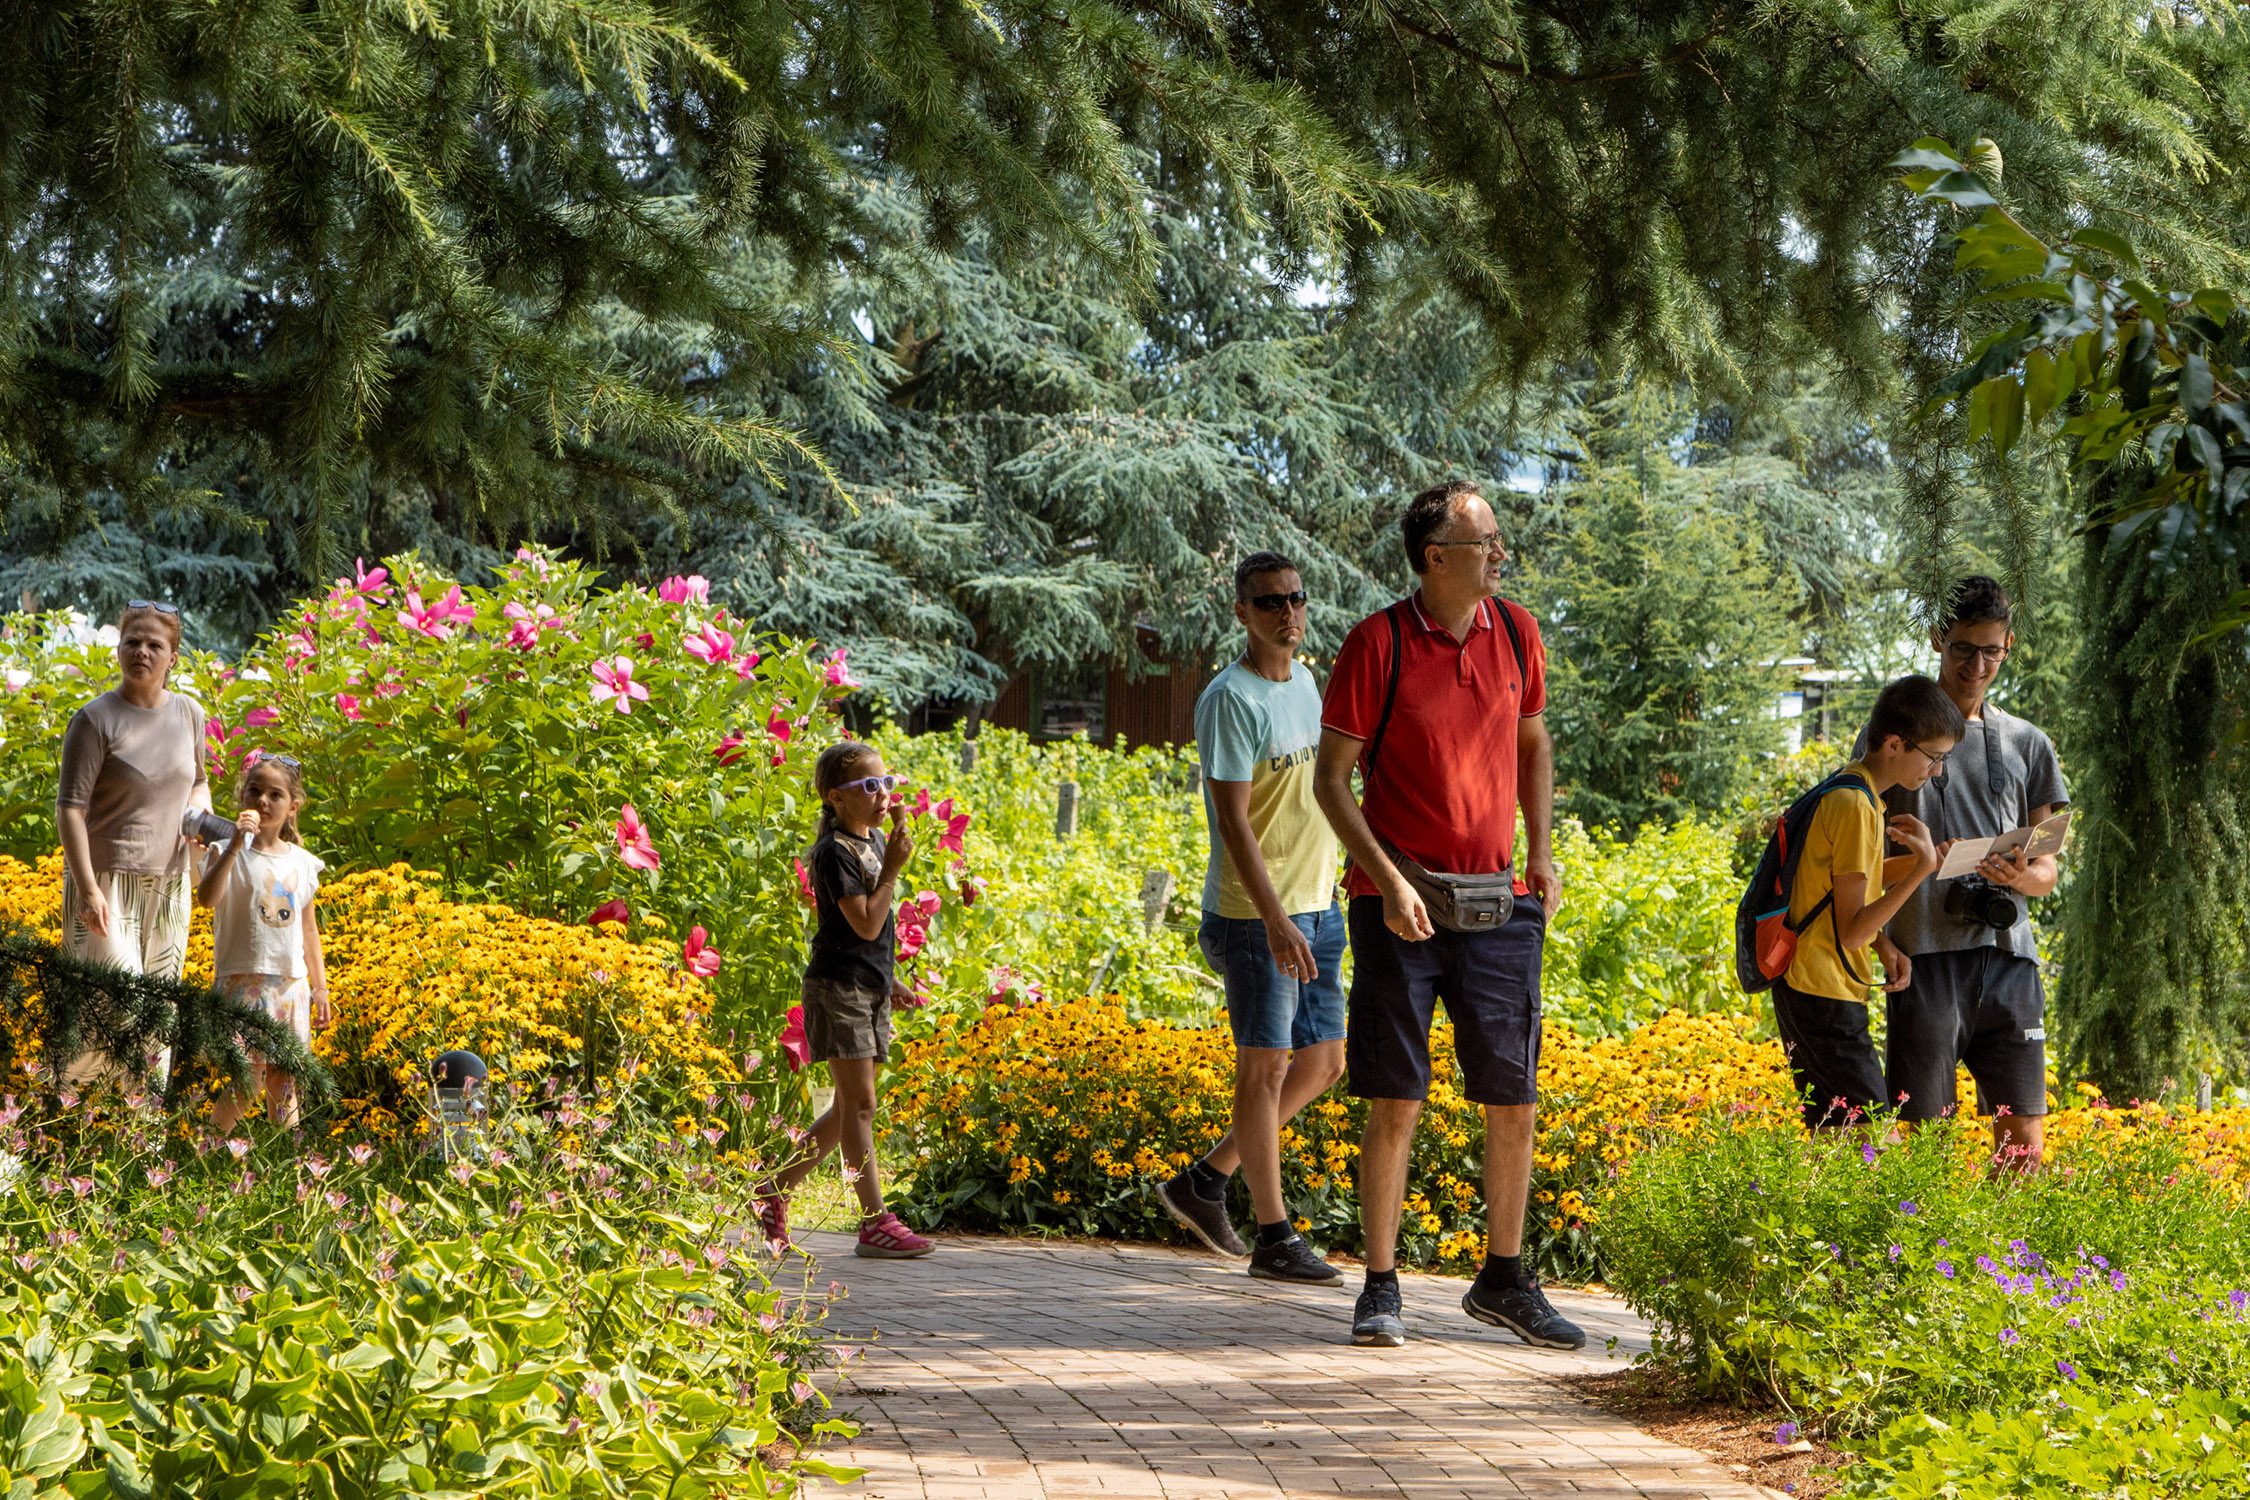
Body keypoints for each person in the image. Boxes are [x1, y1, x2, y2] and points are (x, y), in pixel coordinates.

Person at [1312, 478, 1575, 1351]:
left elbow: (1533, 743)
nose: (1501, 553)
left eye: (1498, 540)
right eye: (1486, 541)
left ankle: (1503, 1279)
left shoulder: (1519, 633)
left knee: (1514, 1094)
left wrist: (1539, 852)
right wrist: (1386, 880)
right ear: (1436, 557)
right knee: (1396, 1095)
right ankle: (1380, 1287)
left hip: (1500, 898)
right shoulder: (1376, 643)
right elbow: (1331, 780)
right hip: (1400, 901)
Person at [1156, 552, 1346, 1283]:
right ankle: (1274, 1237)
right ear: (1242, 613)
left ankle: (1204, 1180)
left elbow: (1322, 790)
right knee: (1264, 1069)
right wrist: (1272, 919)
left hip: (1318, 907)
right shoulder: (1229, 699)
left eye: (1296, 598)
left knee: (1324, 1062)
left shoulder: (1304, 681)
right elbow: (1232, 822)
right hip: (1254, 917)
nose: (1287, 613)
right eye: (1269, 603)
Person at [1861, 579, 2069, 1167]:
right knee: (1922, 1141)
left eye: (1991, 651)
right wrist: (1880, 941)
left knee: (2024, 1144)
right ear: (1937, 640)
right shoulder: (1894, 731)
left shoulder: (2028, 743)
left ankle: (2015, 1259)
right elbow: (1853, 854)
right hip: (1923, 959)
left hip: (2010, 957)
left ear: (2009, 646)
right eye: (1962, 649)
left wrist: (2018, 876)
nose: (1977, 665)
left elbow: (2048, 867)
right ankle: (1923, 1258)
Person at [757, 741, 935, 1260]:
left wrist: (891, 977)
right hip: (838, 990)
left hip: (866, 986)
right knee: (860, 1106)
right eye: (868, 786)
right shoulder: (834, 852)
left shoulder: (874, 840)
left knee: (845, 1109)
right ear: (836, 798)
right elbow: (864, 919)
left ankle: (772, 1188)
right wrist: (895, 869)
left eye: (887, 783)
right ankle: (875, 1223)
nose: (883, 795)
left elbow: (867, 937)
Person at [1773, 675, 1958, 1131]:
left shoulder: (1858, 793)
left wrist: (1927, 862)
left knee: (1838, 1143)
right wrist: (1919, 869)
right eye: (1933, 758)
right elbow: (1852, 929)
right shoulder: (1855, 806)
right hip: (1822, 991)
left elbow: (1851, 888)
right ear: (1895, 744)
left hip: (1817, 986)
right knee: (1872, 1143)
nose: (1936, 772)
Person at [54, 601, 213, 1088]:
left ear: (173, 658)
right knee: (113, 1003)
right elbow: (70, 809)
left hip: (170, 884)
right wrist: (86, 888)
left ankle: (142, 1139)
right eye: (132, 642)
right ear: (119, 648)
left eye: (154, 645)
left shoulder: (189, 713)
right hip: (105, 882)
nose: (141, 651)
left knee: (156, 1016)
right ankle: (67, 1114)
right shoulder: (95, 719)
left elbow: (199, 781)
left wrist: (199, 817)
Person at [196, 752, 331, 1128]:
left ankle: (285, 1166)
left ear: (292, 807)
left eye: (275, 795)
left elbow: (308, 929)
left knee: (283, 1081)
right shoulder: (224, 852)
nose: (263, 801)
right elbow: (207, 899)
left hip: (288, 985)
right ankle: (207, 1152)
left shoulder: (302, 863)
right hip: (244, 980)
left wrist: (320, 989)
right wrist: (236, 845)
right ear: (242, 797)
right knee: (247, 1081)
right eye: (255, 791)